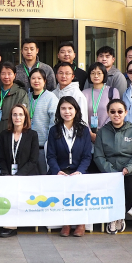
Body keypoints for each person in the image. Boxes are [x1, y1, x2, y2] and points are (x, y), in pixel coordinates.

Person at [93, 99, 132, 234]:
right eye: (112, 112)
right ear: (108, 113)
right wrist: (111, 172)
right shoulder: (102, 132)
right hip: (109, 173)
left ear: (126, 113)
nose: (116, 114)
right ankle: (115, 217)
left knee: (131, 189)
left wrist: (128, 168)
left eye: (120, 111)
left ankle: (117, 216)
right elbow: (98, 156)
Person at [45, 97, 92, 236]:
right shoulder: (54, 130)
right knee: (61, 187)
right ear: (59, 111)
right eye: (63, 108)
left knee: (81, 187)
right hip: (60, 170)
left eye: (70, 108)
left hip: (79, 170)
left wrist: (80, 171)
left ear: (76, 110)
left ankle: (80, 223)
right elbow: (51, 156)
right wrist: (57, 171)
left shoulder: (84, 130)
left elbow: (87, 156)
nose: (67, 112)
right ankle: (66, 223)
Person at [0, 104, 40, 238]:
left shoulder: (32, 135)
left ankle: (15, 224)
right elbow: (1, 158)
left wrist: (18, 175)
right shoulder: (4, 134)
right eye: (15, 114)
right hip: (8, 175)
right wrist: (7, 174)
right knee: (7, 189)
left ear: (25, 117)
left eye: (21, 114)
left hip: (26, 175)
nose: (18, 117)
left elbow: (33, 160)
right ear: (11, 117)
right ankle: (10, 226)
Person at [26, 68, 59, 175]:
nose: (36, 81)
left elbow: (54, 121)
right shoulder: (27, 97)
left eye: (39, 78)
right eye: (33, 78)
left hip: (43, 146)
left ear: (45, 81)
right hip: (28, 146)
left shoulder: (51, 97)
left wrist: (49, 142)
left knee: (44, 175)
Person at [83, 62, 121, 143]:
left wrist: (102, 131)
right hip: (88, 135)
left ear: (104, 75)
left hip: (109, 133)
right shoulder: (84, 93)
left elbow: (115, 113)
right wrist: (89, 133)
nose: (96, 76)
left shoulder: (113, 91)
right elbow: (81, 115)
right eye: (93, 73)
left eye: (99, 73)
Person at [0, 62, 29, 140]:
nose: (6, 77)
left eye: (9, 74)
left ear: (15, 75)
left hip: (13, 133)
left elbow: (24, 115)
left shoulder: (21, 93)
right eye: (3, 73)